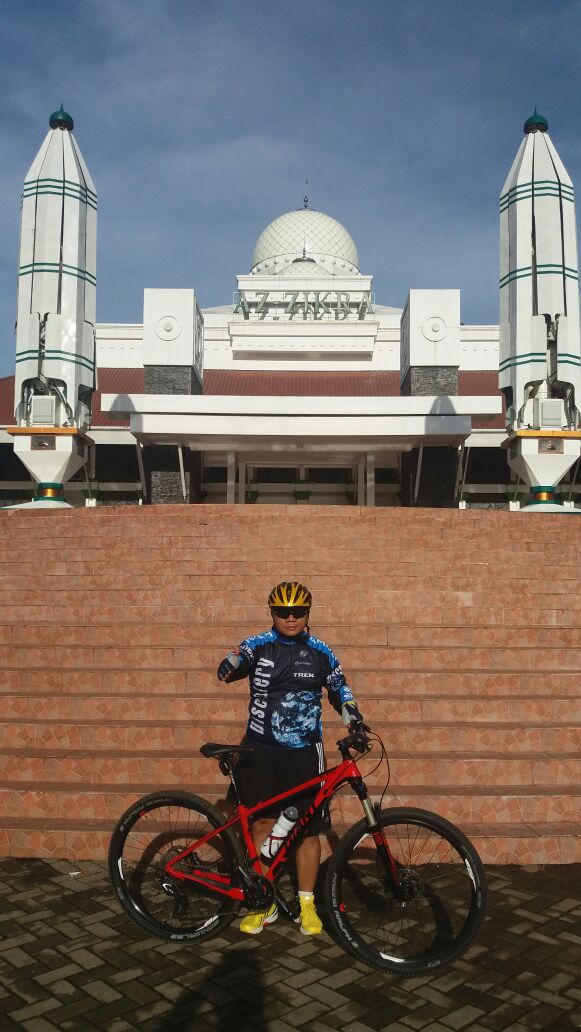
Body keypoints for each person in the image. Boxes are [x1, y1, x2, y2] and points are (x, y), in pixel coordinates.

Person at [216, 580, 364, 936]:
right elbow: (229, 668)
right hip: (259, 751)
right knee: (262, 826)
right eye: (283, 612)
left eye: (298, 612)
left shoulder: (320, 650)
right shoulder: (258, 645)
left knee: (307, 832)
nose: (291, 618)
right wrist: (233, 660)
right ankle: (264, 903)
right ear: (273, 613)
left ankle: (306, 904)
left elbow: (340, 689)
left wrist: (352, 716)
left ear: (308, 614)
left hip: (303, 753)